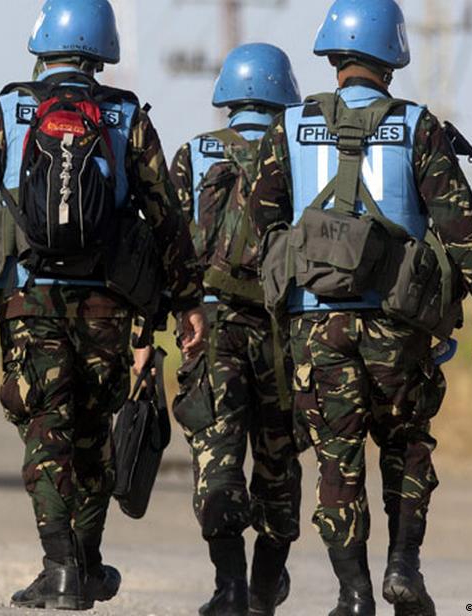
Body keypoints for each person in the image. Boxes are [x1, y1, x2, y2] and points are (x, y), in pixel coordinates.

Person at [0, 0, 204, 609]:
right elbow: (166, 218)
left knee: (45, 425)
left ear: (43, 42)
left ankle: (60, 567)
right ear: (102, 48)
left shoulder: (7, 110)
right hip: (106, 302)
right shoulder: (126, 117)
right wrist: (187, 301)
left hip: (28, 299)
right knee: (93, 429)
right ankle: (86, 561)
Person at [247, 1, 472, 614]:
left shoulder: (288, 126)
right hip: (398, 325)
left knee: (337, 459)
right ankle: (403, 568)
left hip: (317, 324)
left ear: (333, 54)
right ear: (393, 53)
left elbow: (257, 222)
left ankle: (354, 594)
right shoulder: (418, 126)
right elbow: (458, 222)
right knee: (406, 443)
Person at [168, 43, 302, 616]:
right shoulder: (299, 152)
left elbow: (168, 244)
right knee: (279, 462)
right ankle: (265, 591)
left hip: (210, 327)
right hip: (281, 331)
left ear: (227, 93)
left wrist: (171, 319)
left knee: (216, 457)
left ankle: (229, 588)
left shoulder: (194, 153)